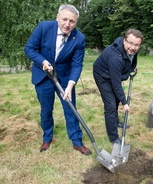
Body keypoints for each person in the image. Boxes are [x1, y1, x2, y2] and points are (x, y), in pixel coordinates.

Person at [24, 4, 92, 155]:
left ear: (76, 23)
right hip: (43, 76)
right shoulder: (44, 27)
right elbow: (29, 48)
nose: (67, 24)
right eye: (64, 19)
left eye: (72, 21)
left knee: (71, 109)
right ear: (57, 18)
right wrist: (42, 61)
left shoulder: (79, 38)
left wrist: (70, 85)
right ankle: (47, 137)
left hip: (65, 79)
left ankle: (77, 141)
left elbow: (76, 64)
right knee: (46, 110)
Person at [93, 29, 143, 144]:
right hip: (102, 76)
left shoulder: (130, 50)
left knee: (116, 99)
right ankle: (113, 137)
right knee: (110, 105)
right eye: (130, 43)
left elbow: (129, 61)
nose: (133, 47)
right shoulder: (115, 57)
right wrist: (125, 103)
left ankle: (115, 122)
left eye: (136, 45)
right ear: (124, 41)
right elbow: (116, 84)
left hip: (113, 73)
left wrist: (130, 69)